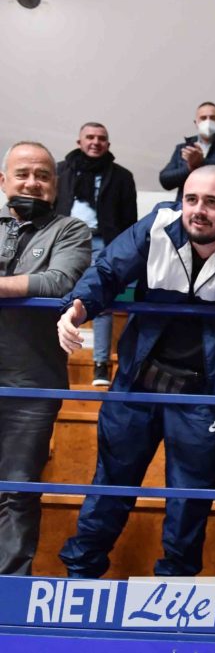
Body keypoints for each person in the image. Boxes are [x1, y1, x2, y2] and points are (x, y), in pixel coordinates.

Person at [55, 165, 215, 578]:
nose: (198, 210)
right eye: (191, 199)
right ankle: (80, 575)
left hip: (202, 396)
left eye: (212, 202)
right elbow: (107, 271)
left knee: (188, 503)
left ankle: (174, 588)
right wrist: (78, 307)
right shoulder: (157, 223)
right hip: (137, 386)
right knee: (110, 487)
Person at [0, 142, 91, 574]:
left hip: (31, 384)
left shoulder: (71, 230)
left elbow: (57, 282)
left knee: (17, 491)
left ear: (55, 184)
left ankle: (8, 589)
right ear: (3, 181)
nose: (32, 183)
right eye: (22, 174)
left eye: (42, 175)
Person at [55, 122, 137, 386]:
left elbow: (130, 221)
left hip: (104, 242)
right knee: (58, 297)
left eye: (101, 138)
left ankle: (100, 365)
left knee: (100, 300)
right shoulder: (61, 170)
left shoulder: (121, 176)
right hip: (66, 240)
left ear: (108, 144)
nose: (95, 142)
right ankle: (56, 360)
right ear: (79, 142)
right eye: (89, 137)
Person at [159, 101, 215, 201]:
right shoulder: (183, 148)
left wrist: (202, 163)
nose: (208, 122)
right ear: (196, 123)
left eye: (213, 118)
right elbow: (165, 181)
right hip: (184, 206)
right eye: (203, 118)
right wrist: (189, 168)